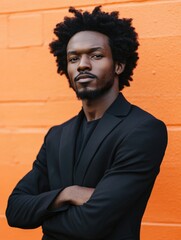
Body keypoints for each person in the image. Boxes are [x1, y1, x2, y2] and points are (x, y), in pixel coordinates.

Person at [6, 6, 167, 240]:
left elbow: (89, 225)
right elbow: (15, 210)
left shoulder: (142, 130)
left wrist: (43, 217)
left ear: (119, 65)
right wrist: (66, 194)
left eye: (96, 55)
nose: (82, 65)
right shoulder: (56, 135)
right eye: (73, 58)